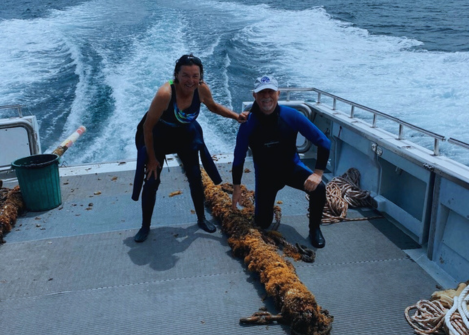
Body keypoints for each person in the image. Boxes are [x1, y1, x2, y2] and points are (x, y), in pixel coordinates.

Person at [132, 54, 246, 243]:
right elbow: (147, 128)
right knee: (152, 181)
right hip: (158, 135)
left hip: (184, 134)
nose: (190, 80)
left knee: (195, 176)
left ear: (200, 76)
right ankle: (145, 226)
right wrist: (152, 159)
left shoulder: (201, 89)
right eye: (185, 75)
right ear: (176, 74)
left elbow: (214, 107)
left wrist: (236, 117)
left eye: (195, 76)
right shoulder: (165, 94)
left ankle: (201, 219)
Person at [231, 75, 331, 248]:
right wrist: (237, 188)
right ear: (255, 95)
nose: (266, 96)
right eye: (262, 93)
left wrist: (317, 173)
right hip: (266, 177)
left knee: (319, 188)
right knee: (262, 223)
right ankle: (263, 209)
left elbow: (324, 142)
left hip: (291, 169)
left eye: (271, 91)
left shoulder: (291, 116)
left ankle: (315, 229)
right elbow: (238, 158)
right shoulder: (248, 124)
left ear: (278, 93)